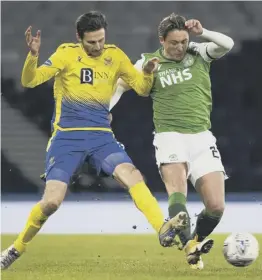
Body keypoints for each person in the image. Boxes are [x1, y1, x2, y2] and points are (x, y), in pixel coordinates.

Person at [1, 11, 188, 270]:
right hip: (67, 138)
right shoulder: (65, 54)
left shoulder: (115, 56)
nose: (98, 46)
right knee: (52, 202)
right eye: (91, 42)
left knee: (133, 176)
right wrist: (33, 56)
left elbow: (143, 90)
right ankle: (16, 248)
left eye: (101, 40)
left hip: (101, 136)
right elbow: (29, 80)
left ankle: (162, 228)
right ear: (79, 38)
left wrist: (146, 72)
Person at [110, 13, 234, 270]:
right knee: (179, 201)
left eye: (183, 41)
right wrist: (104, 111)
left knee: (216, 206)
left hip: (202, 137)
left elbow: (227, 44)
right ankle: (189, 247)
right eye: (174, 42)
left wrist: (204, 32)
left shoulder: (198, 52)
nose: (180, 47)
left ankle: (195, 244)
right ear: (161, 41)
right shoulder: (148, 62)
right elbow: (121, 84)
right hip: (170, 136)